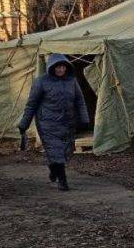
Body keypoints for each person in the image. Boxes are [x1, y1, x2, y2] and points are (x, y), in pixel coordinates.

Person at [18, 54, 89, 191]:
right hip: (47, 124)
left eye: (63, 66)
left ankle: (53, 168)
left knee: (65, 152)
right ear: (52, 67)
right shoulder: (41, 82)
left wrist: (84, 118)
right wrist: (24, 124)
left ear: (66, 67)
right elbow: (31, 104)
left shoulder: (72, 81)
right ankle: (62, 181)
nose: (61, 69)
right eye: (58, 67)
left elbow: (79, 101)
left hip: (67, 123)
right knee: (55, 151)